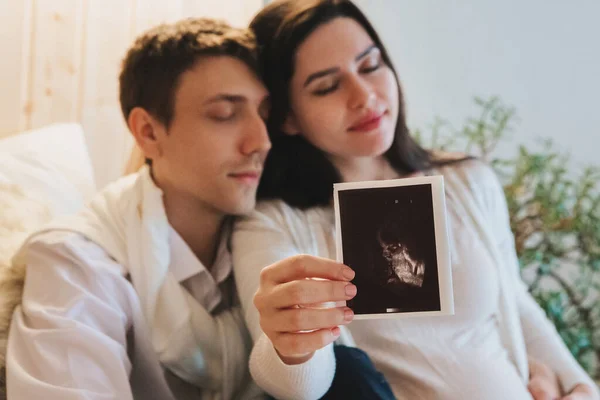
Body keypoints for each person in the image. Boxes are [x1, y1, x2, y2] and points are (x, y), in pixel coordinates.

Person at [230, 1, 600, 399]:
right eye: (327, 86)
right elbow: (292, 385)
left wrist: (581, 387)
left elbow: (518, 306)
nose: (364, 96)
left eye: (370, 66)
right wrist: (292, 348)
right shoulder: (273, 225)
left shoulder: (468, 182)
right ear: (287, 116)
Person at [6, 18, 271, 399]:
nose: (260, 142)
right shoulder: (75, 264)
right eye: (225, 114)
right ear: (148, 132)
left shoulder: (275, 235)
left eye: (263, 113)